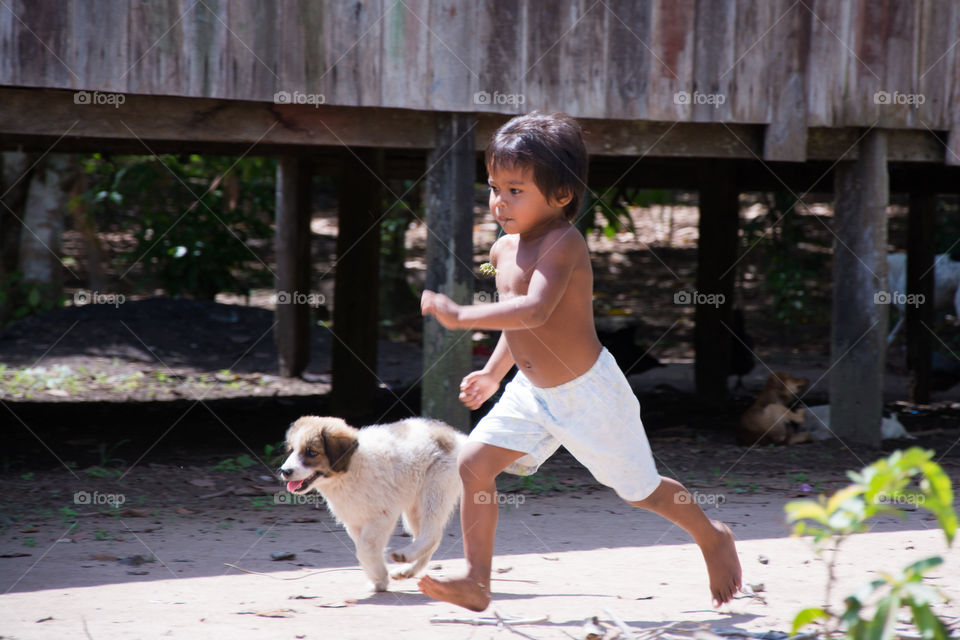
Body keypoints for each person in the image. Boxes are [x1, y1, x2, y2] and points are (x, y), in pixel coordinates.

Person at [420, 111, 741, 612]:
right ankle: (477, 581)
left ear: (562, 195)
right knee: (473, 465)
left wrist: (462, 316)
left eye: (515, 190)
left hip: (589, 393)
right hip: (530, 393)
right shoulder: (503, 249)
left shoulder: (564, 244)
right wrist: (493, 373)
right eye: (494, 187)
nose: (499, 201)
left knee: (642, 492)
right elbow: (520, 326)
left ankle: (711, 535)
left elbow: (537, 309)